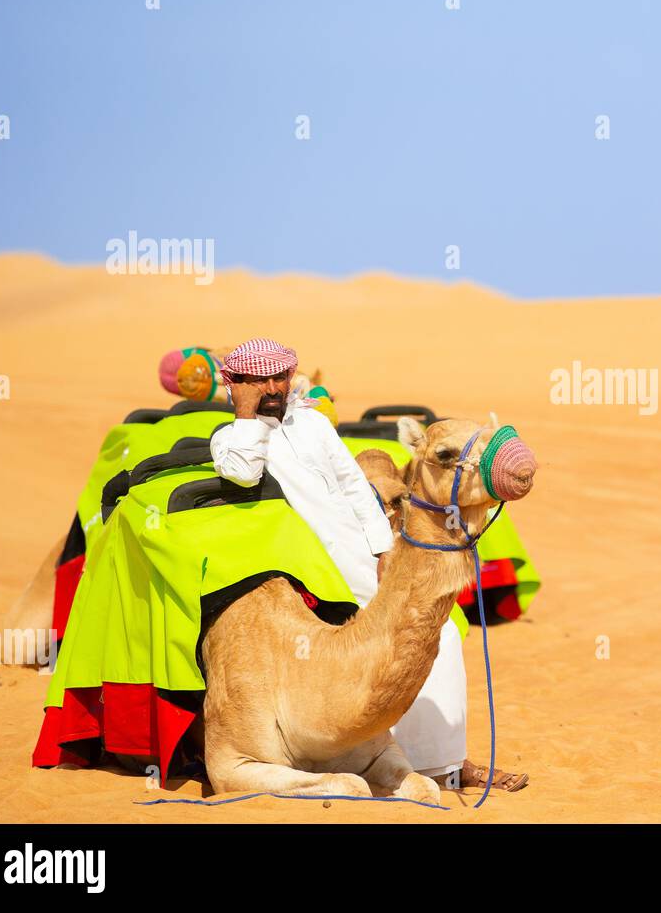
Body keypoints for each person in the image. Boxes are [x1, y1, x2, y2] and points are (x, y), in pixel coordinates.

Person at [210, 337, 527, 792]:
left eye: (279, 376)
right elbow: (240, 472)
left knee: (441, 634)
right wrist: (245, 415)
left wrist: (381, 550)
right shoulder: (231, 437)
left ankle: (443, 764)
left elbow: (354, 488)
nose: (273, 387)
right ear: (237, 383)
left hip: (358, 553)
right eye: (260, 379)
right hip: (304, 567)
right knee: (369, 652)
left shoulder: (314, 426)